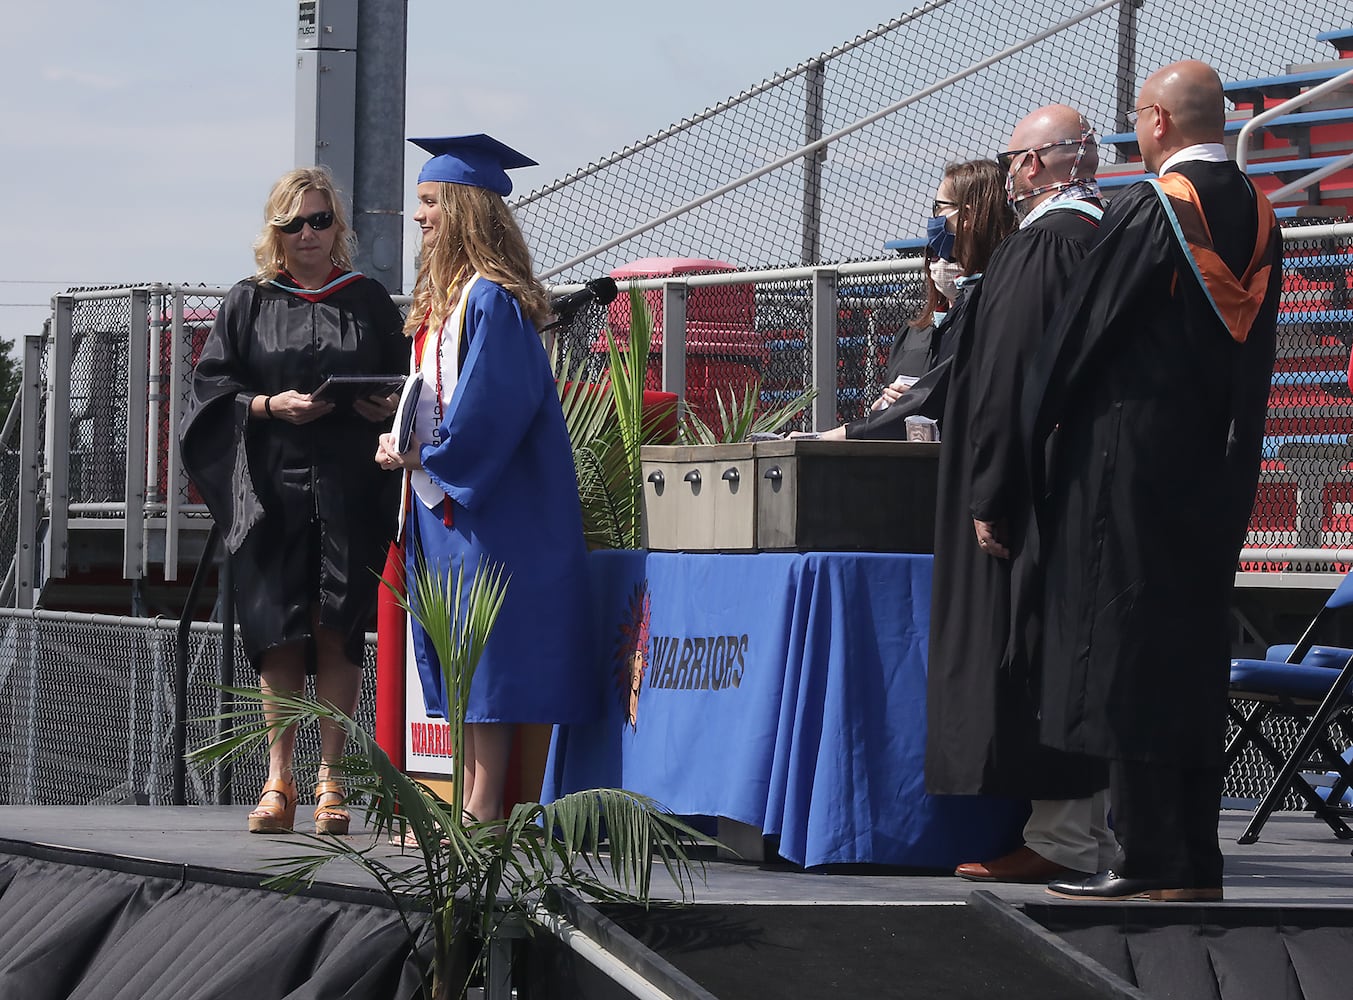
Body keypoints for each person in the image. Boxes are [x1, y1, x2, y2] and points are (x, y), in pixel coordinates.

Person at [1023, 63, 1281, 901]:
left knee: (1128, 651)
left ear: (1158, 122)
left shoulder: (1150, 207)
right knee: (1192, 652)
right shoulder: (1261, 213)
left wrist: (1032, 426)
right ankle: (1192, 862)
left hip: (1127, 463)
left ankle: (1139, 857)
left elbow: (1079, 335)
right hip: (1216, 465)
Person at [375, 133, 595, 823]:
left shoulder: (491, 302)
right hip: (445, 511)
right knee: (464, 657)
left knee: (488, 663)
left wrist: (420, 457)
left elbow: (492, 410)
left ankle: (481, 806)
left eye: (430, 201)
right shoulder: (447, 303)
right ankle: (471, 802)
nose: (419, 217)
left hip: (483, 511)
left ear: (466, 210)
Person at [181, 167, 407, 835]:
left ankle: (330, 781)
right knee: (278, 634)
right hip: (272, 485)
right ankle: (277, 779)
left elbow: (405, 381)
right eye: (293, 223)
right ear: (274, 231)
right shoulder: (248, 301)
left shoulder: (365, 299)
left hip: (349, 482)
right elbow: (211, 391)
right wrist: (268, 403)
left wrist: (385, 401)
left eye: (319, 221)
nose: (307, 234)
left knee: (338, 629)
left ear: (339, 228)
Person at [925, 105, 1117, 884]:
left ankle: (1064, 840)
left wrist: (990, 492)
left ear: (1033, 166)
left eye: (1010, 161)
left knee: (1039, 654)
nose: (1006, 175)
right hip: (1082, 480)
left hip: (1036, 492)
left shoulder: (1043, 247)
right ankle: (1085, 837)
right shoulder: (1107, 234)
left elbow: (1008, 384)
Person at [814, 159, 1016, 441]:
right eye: (931, 256)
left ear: (967, 215)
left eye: (939, 207)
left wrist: (922, 402)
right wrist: (888, 410)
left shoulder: (997, 309)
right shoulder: (917, 333)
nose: (938, 262)